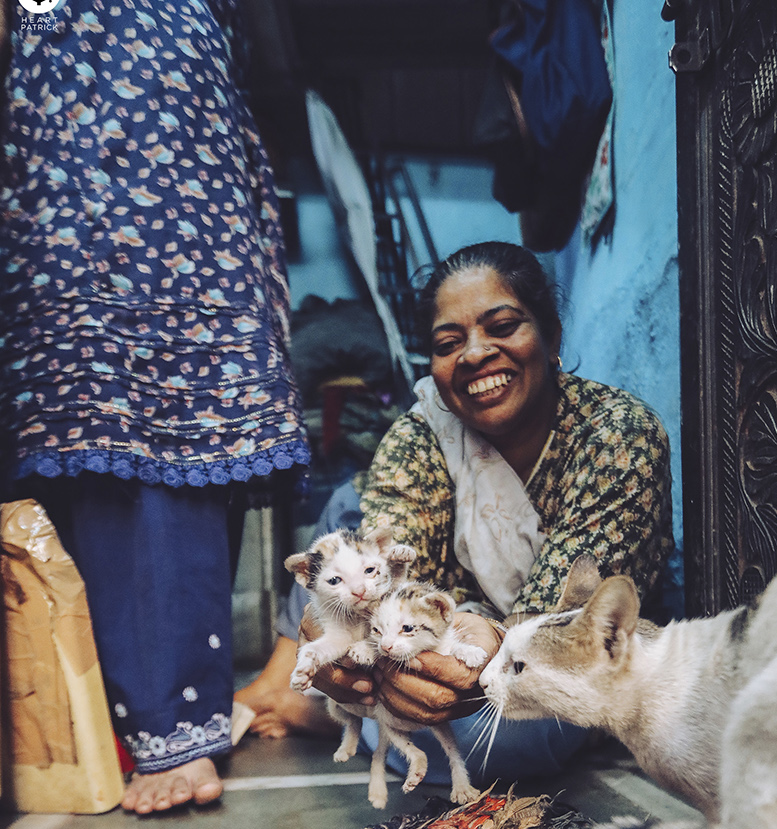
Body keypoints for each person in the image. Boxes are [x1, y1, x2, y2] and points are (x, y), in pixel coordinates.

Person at [0, 0, 308, 813]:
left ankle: (175, 733)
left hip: (184, 189)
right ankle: (108, 729)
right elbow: (34, 15)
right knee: (97, 442)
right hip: (80, 171)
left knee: (178, 452)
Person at [239, 241, 671, 786]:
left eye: (503, 325)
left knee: (501, 746)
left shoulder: (615, 436)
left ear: (552, 335)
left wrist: (476, 644)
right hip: (438, 635)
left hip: (531, 651)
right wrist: (381, 660)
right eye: (449, 342)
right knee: (349, 533)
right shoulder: (420, 438)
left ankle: (337, 716)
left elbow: (553, 626)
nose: (473, 354)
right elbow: (390, 593)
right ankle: (296, 688)